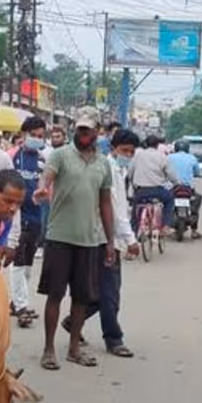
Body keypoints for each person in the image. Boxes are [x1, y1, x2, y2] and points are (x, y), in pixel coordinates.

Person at [32, 106, 116, 371]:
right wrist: (42, 189)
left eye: (87, 130)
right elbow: (47, 177)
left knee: (81, 297)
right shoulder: (60, 155)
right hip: (59, 236)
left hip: (89, 240)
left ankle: (73, 349)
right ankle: (48, 349)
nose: (82, 134)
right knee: (55, 295)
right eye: (79, 129)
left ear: (97, 132)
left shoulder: (104, 164)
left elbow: (105, 204)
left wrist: (110, 242)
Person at [62, 128, 141, 357]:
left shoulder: (117, 169)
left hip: (98, 237)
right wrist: (131, 240)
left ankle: (74, 320)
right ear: (114, 148)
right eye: (125, 150)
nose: (128, 154)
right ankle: (114, 339)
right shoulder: (109, 169)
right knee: (110, 292)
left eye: (131, 151)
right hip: (104, 238)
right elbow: (117, 211)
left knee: (97, 291)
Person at [8, 117, 47, 325]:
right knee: (18, 261)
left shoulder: (42, 159)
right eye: (34, 135)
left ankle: (16, 302)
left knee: (29, 265)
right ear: (23, 134)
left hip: (36, 217)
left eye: (41, 136)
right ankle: (21, 306)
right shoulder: (13, 157)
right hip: (18, 217)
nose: (37, 139)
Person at [129, 134, 178, 233]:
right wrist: (176, 182)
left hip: (141, 191)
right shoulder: (162, 156)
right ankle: (166, 225)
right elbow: (171, 174)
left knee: (135, 210)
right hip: (158, 191)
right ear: (157, 145)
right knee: (169, 200)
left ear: (146, 144)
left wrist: (132, 182)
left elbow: (130, 171)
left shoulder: (138, 155)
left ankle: (133, 231)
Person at [168, 140, 202, 239]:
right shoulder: (192, 158)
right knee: (197, 201)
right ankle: (194, 231)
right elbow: (198, 172)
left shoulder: (169, 157)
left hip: (173, 188)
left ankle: (165, 226)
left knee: (165, 203)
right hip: (188, 189)